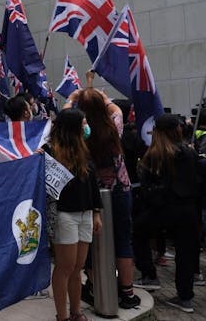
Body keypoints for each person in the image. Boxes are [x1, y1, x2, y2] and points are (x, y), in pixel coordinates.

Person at [65, 82, 140, 309]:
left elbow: (65, 119)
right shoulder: (113, 127)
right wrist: (103, 98)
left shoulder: (79, 133)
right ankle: (127, 293)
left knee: (91, 243)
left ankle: (95, 287)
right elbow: (117, 110)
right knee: (123, 240)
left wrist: (72, 98)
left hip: (92, 197)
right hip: (120, 191)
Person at [132, 114, 205, 313]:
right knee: (186, 253)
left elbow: (150, 186)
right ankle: (185, 297)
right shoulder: (189, 153)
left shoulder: (156, 154)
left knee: (138, 232)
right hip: (188, 210)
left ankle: (149, 274)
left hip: (163, 209)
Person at [46, 108, 102, 321]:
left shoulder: (83, 149)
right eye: (83, 124)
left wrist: (96, 212)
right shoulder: (49, 151)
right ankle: (62, 315)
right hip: (63, 214)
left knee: (78, 267)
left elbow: (92, 184)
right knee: (65, 266)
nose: (86, 127)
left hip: (85, 213)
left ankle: (76, 311)